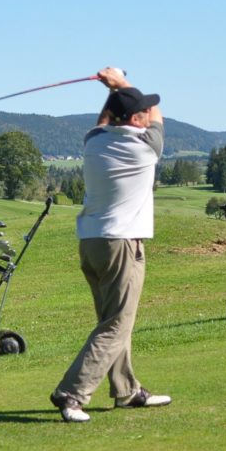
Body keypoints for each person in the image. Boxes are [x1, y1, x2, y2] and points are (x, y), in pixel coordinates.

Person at [50, 67, 171, 422]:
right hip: (121, 245)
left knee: (112, 320)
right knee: (116, 324)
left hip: (91, 243)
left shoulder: (94, 142)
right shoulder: (144, 147)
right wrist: (120, 83)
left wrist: (113, 91)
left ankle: (126, 390)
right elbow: (158, 117)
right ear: (135, 119)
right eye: (142, 110)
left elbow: (105, 119)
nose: (148, 113)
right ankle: (72, 393)